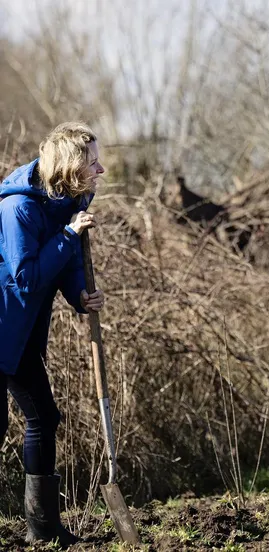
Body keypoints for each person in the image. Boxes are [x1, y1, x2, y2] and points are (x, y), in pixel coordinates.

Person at [0, 121, 105, 546]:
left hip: (22, 332)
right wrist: (68, 234)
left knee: (42, 417)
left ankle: (42, 530)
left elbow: (63, 263)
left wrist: (81, 295)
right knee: (41, 417)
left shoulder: (70, 199)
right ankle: (43, 530)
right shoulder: (17, 209)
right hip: (5, 326)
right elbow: (26, 278)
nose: (100, 170)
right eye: (92, 162)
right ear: (71, 166)